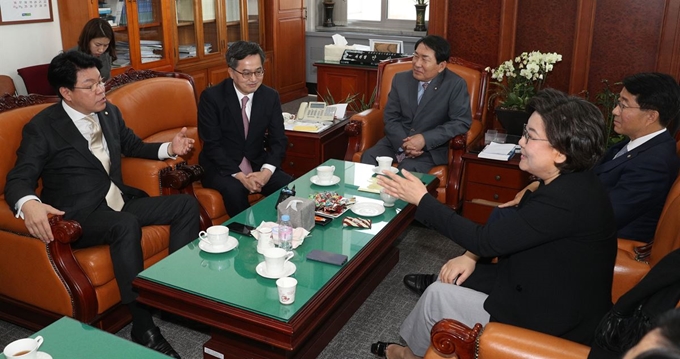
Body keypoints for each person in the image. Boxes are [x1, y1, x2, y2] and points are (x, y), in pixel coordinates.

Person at [370, 89, 617, 359]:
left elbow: (484, 240)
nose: (521, 142)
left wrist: (421, 200)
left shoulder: (564, 200)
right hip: (541, 290)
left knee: (436, 296)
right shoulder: (574, 183)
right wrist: (471, 256)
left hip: (548, 323)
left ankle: (407, 355)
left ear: (560, 153)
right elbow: (504, 233)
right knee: (438, 292)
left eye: (530, 136)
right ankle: (410, 353)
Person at [4, 51, 200, 358]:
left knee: (185, 207)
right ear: (66, 92)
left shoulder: (110, 113)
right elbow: (19, 177)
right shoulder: (42, 127)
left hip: (117, 202)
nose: (101, 90)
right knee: (125, 225)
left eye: (101, 81)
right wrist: (29, 203)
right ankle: (143, 325)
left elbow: (132, 145)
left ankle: (172, 296)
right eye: (91, 85)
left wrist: (168, 148)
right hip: (80, 216)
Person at [495, 72, 680, 243]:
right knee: (505, 218)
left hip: (599, 241)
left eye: (623, 105)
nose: (615, 111)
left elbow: (607, 216)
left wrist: (549, 207)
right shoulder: (633, 145)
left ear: (651, 116)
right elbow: (586, 174)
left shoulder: (655, 163)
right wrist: (540, 185)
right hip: (582, 218)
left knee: (504, 221)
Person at [198, 40, 292, 217]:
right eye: (246, 73)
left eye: (258, 72)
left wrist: (265, 172)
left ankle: (278, 232)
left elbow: (278, 140)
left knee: (288, 187)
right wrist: (241, 176)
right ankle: (244, 238)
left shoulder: (269, 96)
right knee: (235, 191)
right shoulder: (212, 98)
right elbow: (212, 145)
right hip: (222, 167)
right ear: (231, 72)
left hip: (257, 162)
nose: (254, 79)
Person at [360, 35, 471, 173]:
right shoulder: (400, 79)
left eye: (425, 59)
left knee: (408, 170)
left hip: (431, 149)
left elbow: (460, 122)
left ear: (441, 66)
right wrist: (404, 144)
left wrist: (424, 139)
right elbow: (391, 116)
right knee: (368, 158)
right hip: (397, 141)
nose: (417, 63)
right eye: (415, 56)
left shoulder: (455, 84)